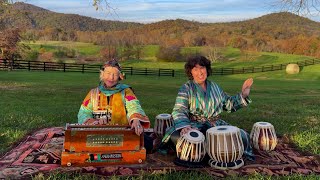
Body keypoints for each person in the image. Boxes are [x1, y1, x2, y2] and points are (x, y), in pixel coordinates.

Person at [162, 55, 255, 167]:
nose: (200, 72)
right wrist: (184, 126)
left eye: (202, 68)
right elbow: (179, 109)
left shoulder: (215, 87)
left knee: (242, 136)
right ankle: (206, 153)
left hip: (215, 124)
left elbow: (228, 104)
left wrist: (243, 95)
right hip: (193, 124)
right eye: (195, 69)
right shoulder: (186, 88)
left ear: (207, 69)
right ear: (190, 72)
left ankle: (208, 154)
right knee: (182, 137)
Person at [77, 59, 153, 151]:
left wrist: (135, 119)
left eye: (115, 74)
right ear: (102, 74)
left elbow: (133, 105)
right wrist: (92, 122)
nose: (111, 77)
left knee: (146, 145)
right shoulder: (93, 93)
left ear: (120, 76)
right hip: (97, 135)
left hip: (122, 133)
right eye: (108, 73)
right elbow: (84, 112)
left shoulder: (126, 91)